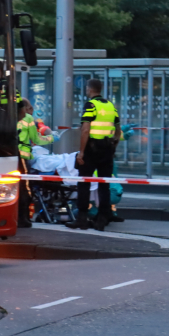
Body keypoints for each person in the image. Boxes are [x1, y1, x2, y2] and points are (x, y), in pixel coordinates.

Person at [66, 79, 121, 231]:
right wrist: (113, 145)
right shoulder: (110, 106)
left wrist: (81, 152)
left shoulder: (90, 105)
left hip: (92, 150)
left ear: (89, 89)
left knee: (84, 182)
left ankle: (82, 218)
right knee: (104, 185)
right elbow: (118, 129)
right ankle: (102, 219)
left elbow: (85, 130)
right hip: (107, 150)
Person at [17, 99, 55, 228]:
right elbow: (36, 139)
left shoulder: (7, 116)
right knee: (25, 188)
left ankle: (16, 216)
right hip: (23, 157)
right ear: (25, 109)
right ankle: (24, 217)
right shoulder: (28, 119)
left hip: (10, 155)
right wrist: (51, 138)